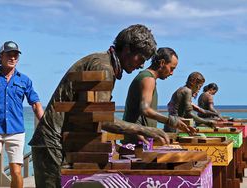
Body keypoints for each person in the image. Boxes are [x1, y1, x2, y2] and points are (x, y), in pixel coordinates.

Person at [29, 24, 170, 188]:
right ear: (126, 49)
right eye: (140, 59)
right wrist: (142, 129)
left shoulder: (104, 63)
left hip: (60, 142)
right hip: (53, 143)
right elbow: (102, 118)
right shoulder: (103, 68)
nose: (141, 65)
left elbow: (89, 114)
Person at [0, 41, 44, 188]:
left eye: (15, 55)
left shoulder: (25, 80)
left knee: (16, 171)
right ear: (0, 57)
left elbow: (35, 104)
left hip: (16, 131)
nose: (12, 58)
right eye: (9, 55)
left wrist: (45, 125)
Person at [122, 47, 197, 145]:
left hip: (140, 139)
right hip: (136, 142)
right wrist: (171, 121)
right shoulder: (148, 79)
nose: (171, 73)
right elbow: (145, 109)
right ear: (162, 63)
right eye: (171, 68)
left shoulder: (147, 77)